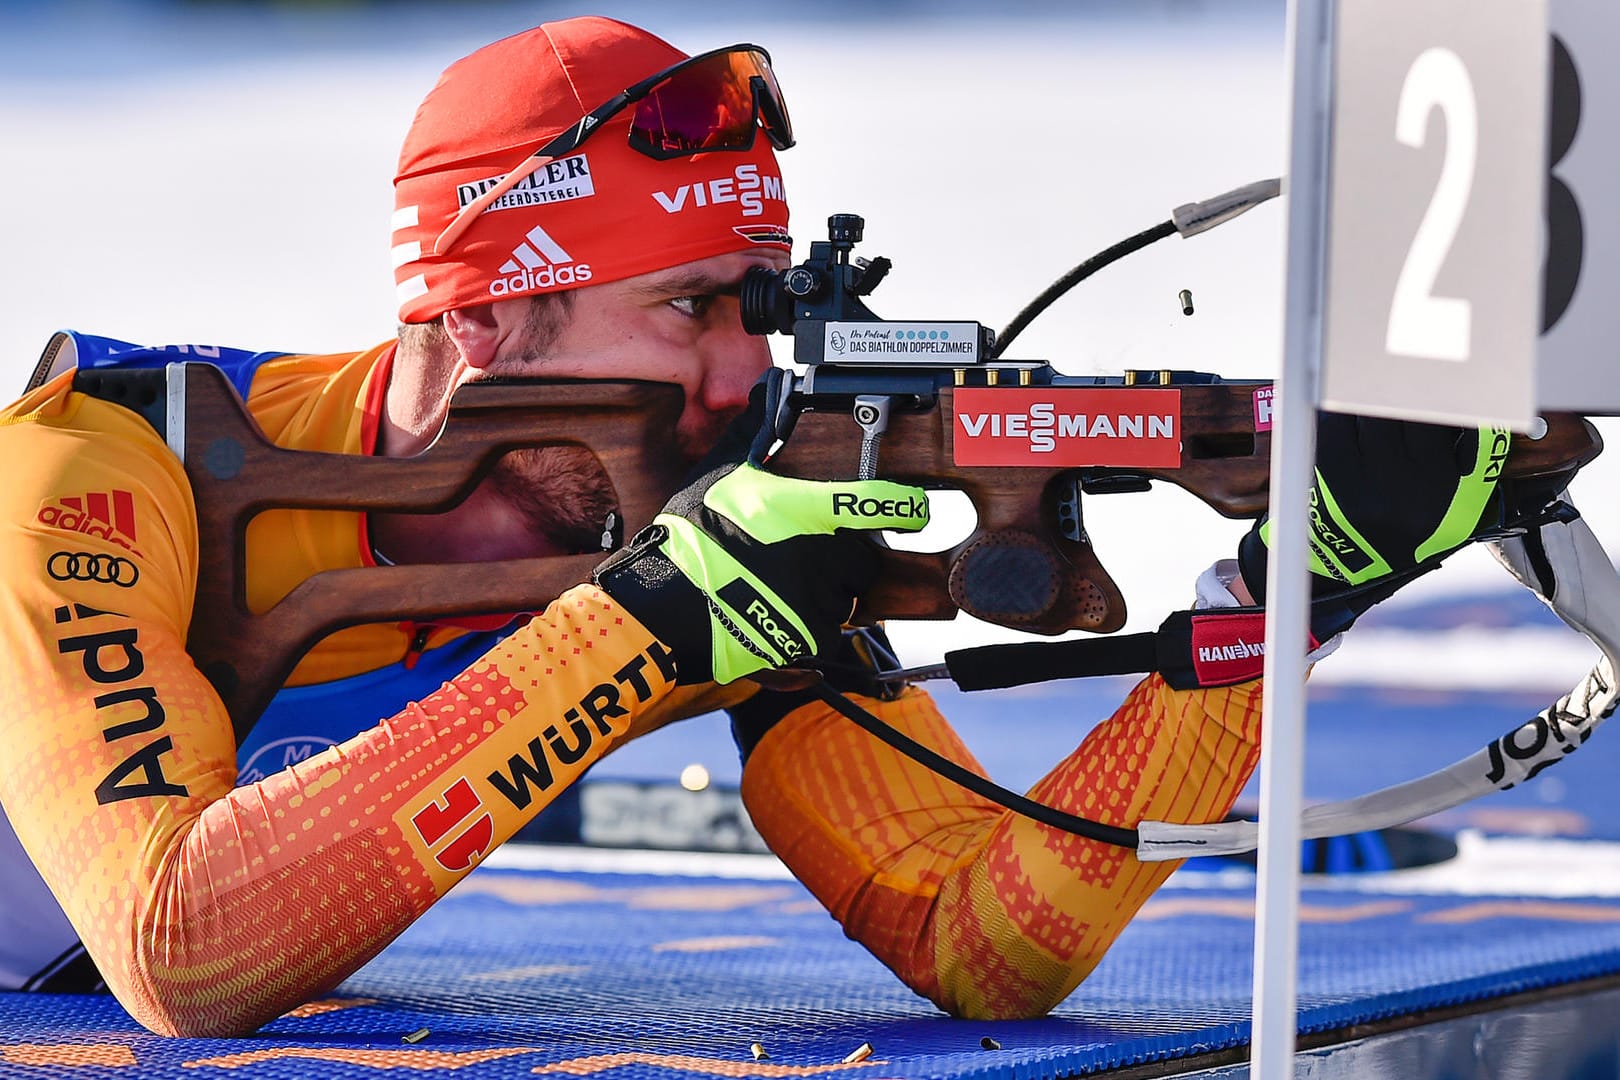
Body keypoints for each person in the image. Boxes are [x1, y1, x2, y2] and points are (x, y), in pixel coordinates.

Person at [0, 15, 1506, 1039]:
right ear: (489, 314)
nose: (744, 370)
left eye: (764, 302)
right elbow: (180, 948)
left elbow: (982, 942)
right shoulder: (94, 471)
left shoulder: (696, 517)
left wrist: (1281, 602)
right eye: (688, 306)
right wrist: (651, 624)